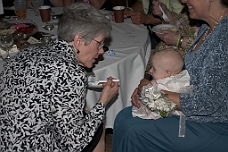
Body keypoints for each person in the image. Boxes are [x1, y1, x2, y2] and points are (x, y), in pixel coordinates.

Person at [0, 2, 119, 152]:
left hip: (6, 140)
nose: (101, 51)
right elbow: (74, 144)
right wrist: (103, 102)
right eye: (99, 44)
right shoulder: (70, 73)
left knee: (87, 115)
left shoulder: (27, 53)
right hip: (30, 146)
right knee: (97, 126)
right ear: (78, 40)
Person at [112, 0, 228, 151]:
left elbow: (205, 103)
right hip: (194, 112)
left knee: (133, 132)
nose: (183, 0)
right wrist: (151, 87)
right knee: (123, 118)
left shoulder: (224, 38)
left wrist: (151, 92)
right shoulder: (207, 28)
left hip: (216, 124)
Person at [132, 48, 191, 120]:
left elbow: (152, 98)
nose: (150, 71)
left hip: (169, 117)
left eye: (154, 69)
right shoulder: (183, 78)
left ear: (167, 73)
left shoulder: (162, 85)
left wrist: (145, 87)